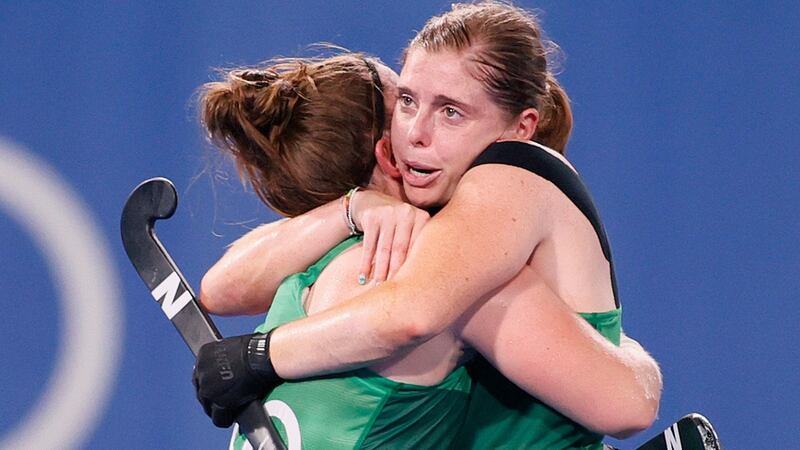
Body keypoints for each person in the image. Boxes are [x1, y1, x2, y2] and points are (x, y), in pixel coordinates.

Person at [194, 2, 662, 449]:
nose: (416, 132)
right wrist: (354, 209)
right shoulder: (390, 240)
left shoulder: (512, 174)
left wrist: (260, 355)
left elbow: (409, 315)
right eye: (408, 102)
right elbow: (219, 288)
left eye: (451, 111)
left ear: (521, 128)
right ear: (383, 150)